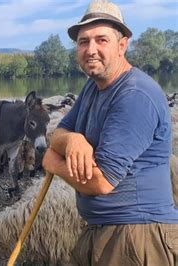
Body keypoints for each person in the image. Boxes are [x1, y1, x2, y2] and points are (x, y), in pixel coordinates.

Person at [42, 0, 178, 265]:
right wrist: (72, 139)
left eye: (101, 40)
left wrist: (53, 162)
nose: (90, 50)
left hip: (136, 236)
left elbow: (101, 182)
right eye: (83, 42)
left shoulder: (135, 94)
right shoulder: (92, 89)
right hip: (104, 229)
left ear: (122, 44)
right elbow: (58, 133)